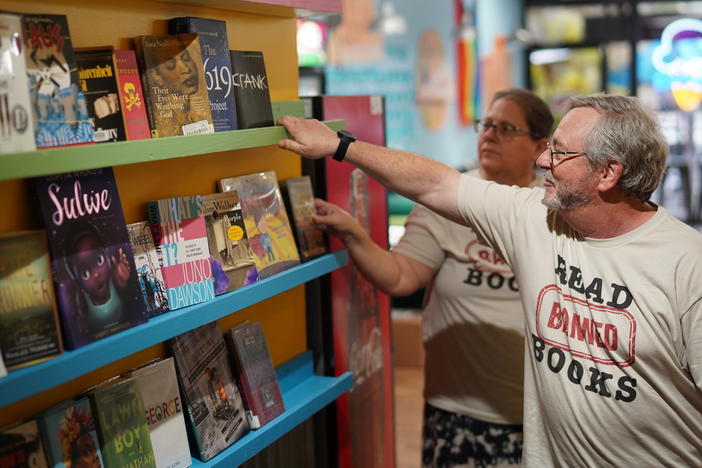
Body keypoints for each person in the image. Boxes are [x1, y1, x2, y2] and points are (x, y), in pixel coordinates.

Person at [276, 94, 702, 466]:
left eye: (559, 152)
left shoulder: (687, 266)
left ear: (608, 173)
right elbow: (436, 184)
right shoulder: (537, 217)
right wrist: (339, 145)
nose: (542, 161)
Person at [312, 89, 552, 467]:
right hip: (457, 408)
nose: (489, 134)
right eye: (486, 124)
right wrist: (354, 234)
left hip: (541, 415)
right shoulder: (446, 203)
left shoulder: (554, 213)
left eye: (506, 128)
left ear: (540, 147)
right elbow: (400, 277)